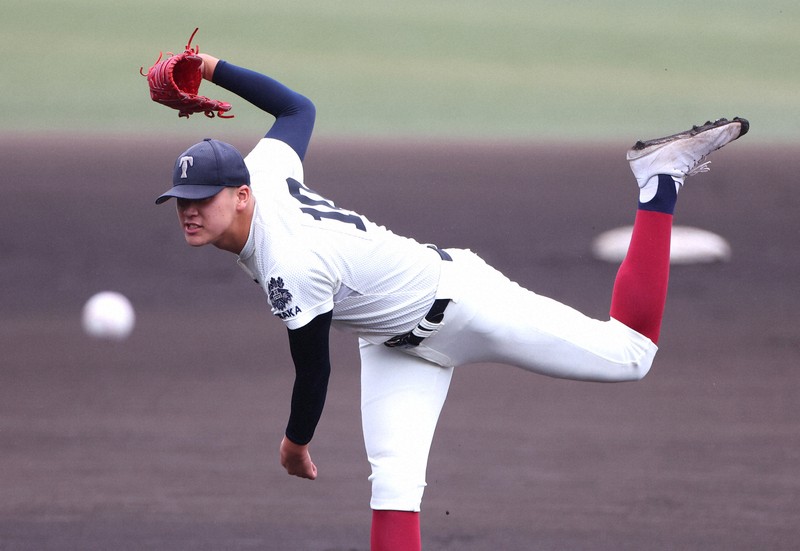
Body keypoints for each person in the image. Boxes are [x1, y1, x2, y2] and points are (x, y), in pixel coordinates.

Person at [154, 52, 748, 551]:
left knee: (632, 356)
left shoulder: (290, 262)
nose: (188, 209)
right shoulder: (263, 168)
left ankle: (658, 181)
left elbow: (312, 370)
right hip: (393, 342)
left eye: (201, 198)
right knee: (394, 485)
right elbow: (297, 110)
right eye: (181, 197)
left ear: (238, 195)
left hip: (462, 302)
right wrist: (209, 66)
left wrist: (294, 444)